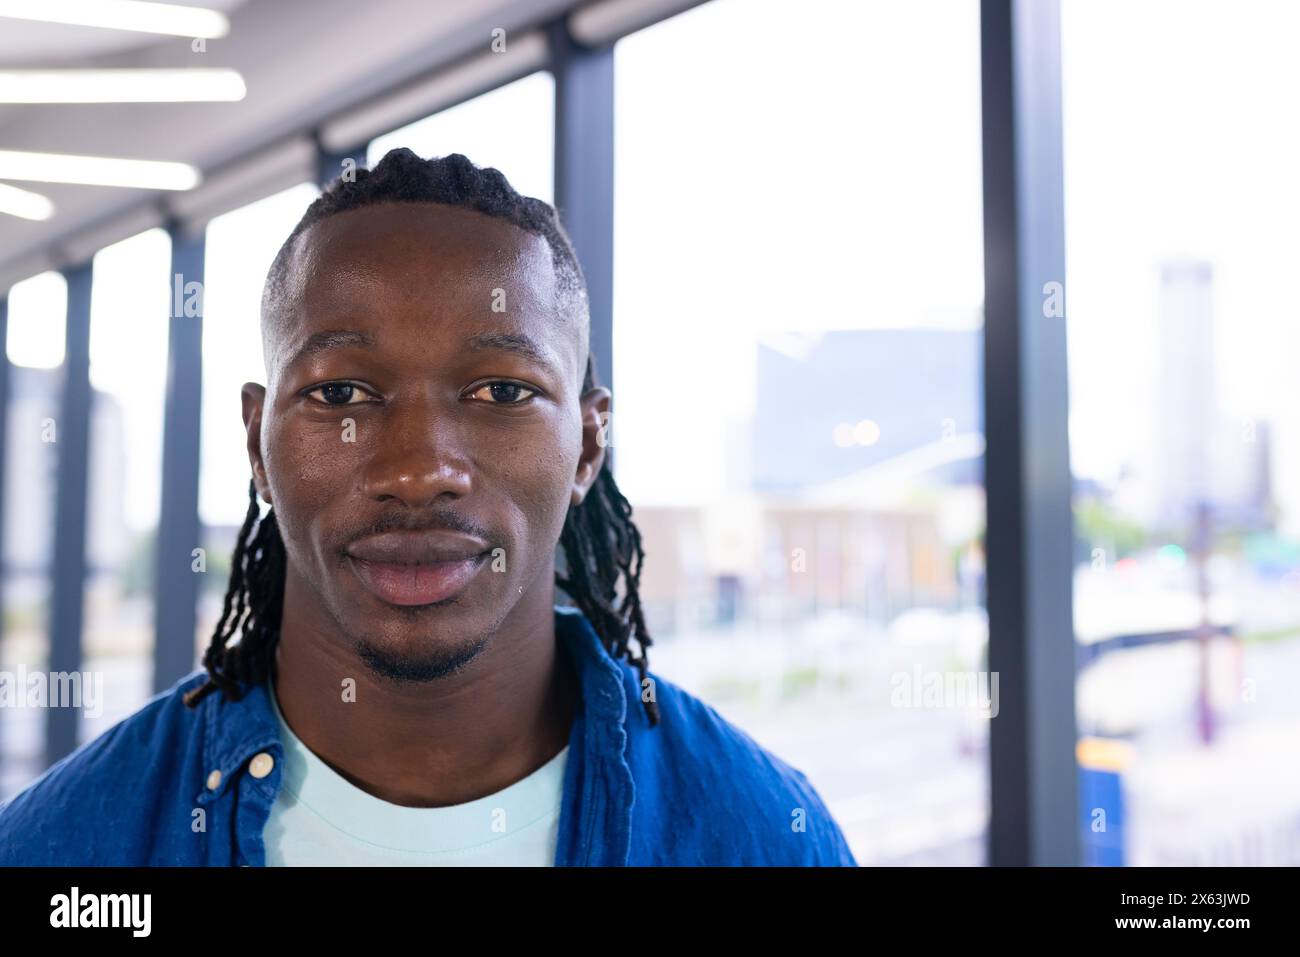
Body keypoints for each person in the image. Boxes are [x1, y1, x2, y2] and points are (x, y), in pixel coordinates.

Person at [0, 149, 856, 866]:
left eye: (499, 389)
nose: (418, 472)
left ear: (589, 444)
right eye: (341, 391)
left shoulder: (762, 836)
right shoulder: (67, 849)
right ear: (259, 437)